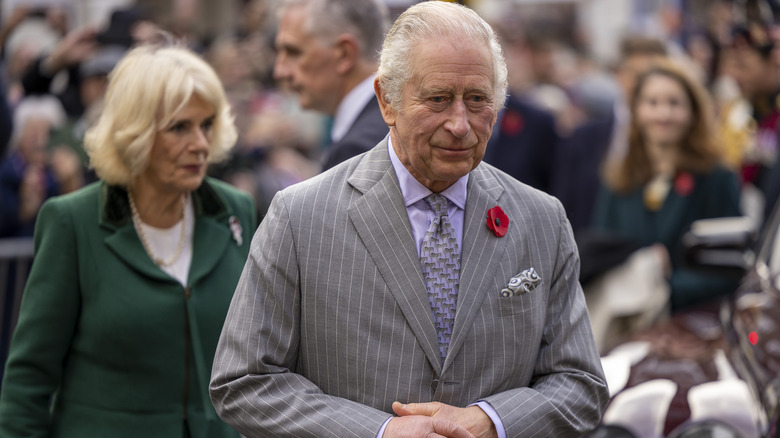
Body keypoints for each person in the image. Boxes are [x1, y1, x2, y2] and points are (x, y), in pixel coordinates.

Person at [210, 3, 608, 437]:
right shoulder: (299, 216)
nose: (460, 124)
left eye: (477, 100)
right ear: (387, 100)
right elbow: (244, 381)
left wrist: (490, 421)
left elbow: (581, 385)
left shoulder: (541, 219)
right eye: (438, 99)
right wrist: (378, 432)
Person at [0, 41, 257, 438]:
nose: (201, 144)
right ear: (135, 132)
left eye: (206, 124)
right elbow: (29, 379)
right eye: (179, 127)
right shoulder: (73, 221)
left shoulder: (234, 211)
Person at [591, 59, 741, 313]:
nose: (663, 114)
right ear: (636, 111)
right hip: (625, 323)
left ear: (693, 111)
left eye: (674, 103)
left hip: (692, 325)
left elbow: (730, 267)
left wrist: (665, 287)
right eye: (652, 103)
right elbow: (600, 250)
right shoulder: (620, 176)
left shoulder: (716, 177)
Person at [273, 0, 390, 171]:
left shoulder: (359, 150)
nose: (280, 72)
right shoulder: (385, 126)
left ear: (345, 54)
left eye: (294, 52)